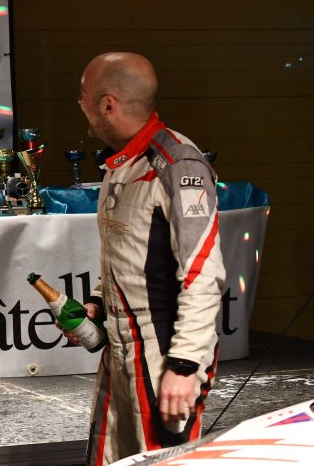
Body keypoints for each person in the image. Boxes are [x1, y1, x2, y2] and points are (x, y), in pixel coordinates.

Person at [74, 52, 225, 465]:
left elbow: (203, 274)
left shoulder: (178, 164)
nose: (79, 103)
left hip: (162, 353)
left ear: (108, 104)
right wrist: (96, 304)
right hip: (120, 351)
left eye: (84, 95)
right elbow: (126, 252)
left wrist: (184, 365)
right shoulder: (121, 163)